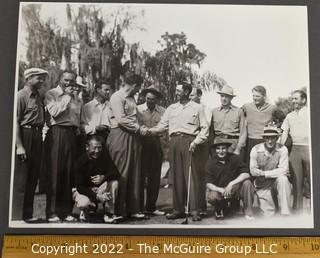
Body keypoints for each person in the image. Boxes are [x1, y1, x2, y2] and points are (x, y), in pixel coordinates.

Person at [144, 82, 209, 221]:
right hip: (174, 142)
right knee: (177, 176)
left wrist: (196, 142)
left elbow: (205, 129)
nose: (176, 92)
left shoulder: (197, 108)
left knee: (191, 176)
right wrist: (148, 131)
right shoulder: (171, 108)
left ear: (186, 91)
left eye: (179, 90)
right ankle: (178, 209)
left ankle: (194, 210)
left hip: (190, 142)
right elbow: (162, 126)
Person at [106, 70, 147, 219]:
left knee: (134, 172)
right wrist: (139, 128)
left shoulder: (131, 99)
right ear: (134, 85)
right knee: (120, 172)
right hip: (120, 135)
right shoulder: (117, 97)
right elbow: (122, 119)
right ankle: (114, 209)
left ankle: (133, 209)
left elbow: (136, 117)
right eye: (138, 87)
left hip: (133, 137)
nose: (139, 90)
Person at [44, 70, 82, 223]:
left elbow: (76, 118)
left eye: (72, 81)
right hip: (57, 132)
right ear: (60, 79)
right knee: (55, 173)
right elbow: (54, 113)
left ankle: (66, 211)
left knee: (68, 173)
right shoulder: (51, 94)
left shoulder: (77, 99)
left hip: (72, 135)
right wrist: (67, 96)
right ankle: (52, 212)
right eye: (66, 80)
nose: (69, 84)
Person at [14, 67, 48, 222]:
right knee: (22, 177)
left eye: (42, 78)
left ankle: (28, 214)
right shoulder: (21, 96)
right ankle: (17, 216)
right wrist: (19, 145)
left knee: (33, 176)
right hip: (25, 134)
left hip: (37, 136)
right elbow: (15, 122)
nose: (41, 81)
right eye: (38, 78)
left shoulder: (39, 96)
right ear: (28, 78)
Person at [73, 135, 120, 223]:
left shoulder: (104, 157)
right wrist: (96, 196)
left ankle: (109, 213)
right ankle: (85, 211)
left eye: (99, 148)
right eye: (94, 148)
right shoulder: (80, 162)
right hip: (84, 191)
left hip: (99, 189)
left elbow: (116, 173)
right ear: (87, 147)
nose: (97, 151)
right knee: (84, 203)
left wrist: (103, 177)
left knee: (114, 183)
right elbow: (80, 187)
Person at [205, 138, 255, 220]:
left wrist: (231, 184)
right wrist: (220, 190)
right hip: (220, 190)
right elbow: (208, 183)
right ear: (215, 150)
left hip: (234, 188)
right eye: (218, 149)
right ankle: (219, 208)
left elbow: (246, 174)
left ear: (227, 149)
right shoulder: (210, 163)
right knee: (212, 196)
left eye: (223, 148)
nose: (221, 151)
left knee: (247, 183)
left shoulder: (234, 158)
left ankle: (248, 212)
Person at [250, 125, 291, 216]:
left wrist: (264, 173)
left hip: (276, 182)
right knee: (269, 214)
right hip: (262, 184)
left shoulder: (283, 149)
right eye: (267, 138)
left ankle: (285, 212)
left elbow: (284, 170)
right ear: (264, 138)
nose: (270, 141)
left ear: (277, 138)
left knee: (283, 179)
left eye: (273, 138)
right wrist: (270, 173)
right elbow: (253, 171)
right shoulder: (256, 149)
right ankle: (272, 203)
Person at [137, 85, 166, 216]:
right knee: (140, 177)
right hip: (141, 144)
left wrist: (152, 131)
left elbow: (164, 127)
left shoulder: (162, 111)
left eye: (153, 99)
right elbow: (136, 125)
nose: (150, 101)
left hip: (155, 143)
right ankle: (138, 207)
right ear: (144, 97)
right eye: (148, 98)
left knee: (154, 178)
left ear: (157, 100)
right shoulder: (138, 109)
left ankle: (151, 207)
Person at [280, 90, 310, 212]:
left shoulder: (310, 112)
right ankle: (297, 209)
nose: (293, 101)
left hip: (309, 148)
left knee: (312, 179)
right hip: (295, 150)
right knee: (297, 180)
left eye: (296, 99)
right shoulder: (289, 116)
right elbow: (284, 133)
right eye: (292, 99)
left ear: (303, 100)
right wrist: (280, 148)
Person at [242, 85, 277, 164]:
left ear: (264, 96)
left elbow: (283, 121)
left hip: (265, 140)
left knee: (264, 163)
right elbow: (239, 118)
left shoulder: (272, 108)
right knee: (249, 164)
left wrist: (275, 130)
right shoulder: (246, 107)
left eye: (257, 96)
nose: (255, 98)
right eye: (253, 96)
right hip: (250, 140)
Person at [212, 85, 246, 155]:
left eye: (226, 96)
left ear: (231, 98)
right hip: (218, 143)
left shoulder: (239, 112)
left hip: (233, 144)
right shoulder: (214, 112)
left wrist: (238, 149)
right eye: (222, 96)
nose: (224, 99)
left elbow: (243, 133)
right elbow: (210, 132)